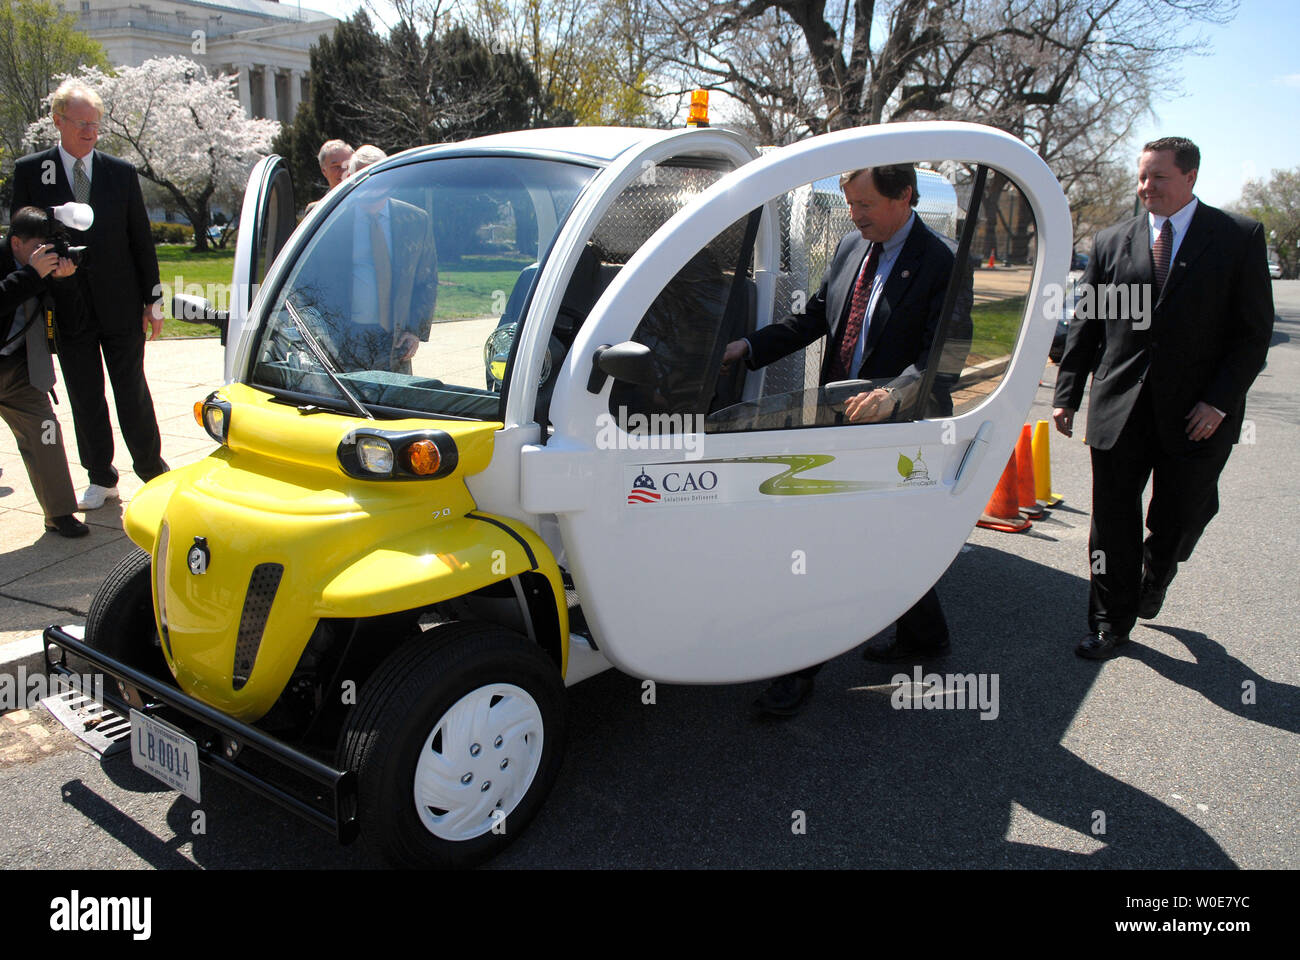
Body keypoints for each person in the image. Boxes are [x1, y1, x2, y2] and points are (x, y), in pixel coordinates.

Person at [721, 164, 973, 716]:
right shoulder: (850, 246)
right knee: (886, 537)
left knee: (825, 548)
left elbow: (946, 353)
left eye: (865, 205)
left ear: (904, 196)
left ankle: (797, 672)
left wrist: (896, 395)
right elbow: (814, 318)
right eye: (850, 204)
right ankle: (925, 638)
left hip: (898, 433)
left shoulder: (942, 263)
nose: (854, 216)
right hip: (841, 422)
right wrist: (748, 346)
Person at [1052, 137, 1273, 660]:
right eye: (1142, 177)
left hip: (1198, 414)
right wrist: (1068, 392)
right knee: (1111, 519)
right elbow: (1088, 322)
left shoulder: (1236, 237)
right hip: (1120, 405)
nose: (1146, 187)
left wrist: (1218, 402)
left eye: (1159, 178)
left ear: (1190, 177)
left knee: (1179, 513)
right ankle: (1109, 620)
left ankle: (1160, 567)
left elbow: (1252, 332)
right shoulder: (1112, 241)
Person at [10, 80, 168, 510]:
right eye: (81, 123)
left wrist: (152, 301)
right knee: (84, 393)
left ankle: (152, 470)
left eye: (95, 124)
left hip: (120, 302)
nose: (89, 132)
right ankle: (101, 477)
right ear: (58, 121)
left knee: (131, 389)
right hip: (64, 305)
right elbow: (21, 239)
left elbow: (141, 240)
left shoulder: (120, 172)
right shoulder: (31, 171)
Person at [0, 208, 88, 537]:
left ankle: (60, 513)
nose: (46, 255)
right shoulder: (21, 268)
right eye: (39, 248)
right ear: (16, 243)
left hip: (19, 372)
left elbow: (72, 327)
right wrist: (30, 276)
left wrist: (64, 284)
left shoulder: (41, 269)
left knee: (45, 432)